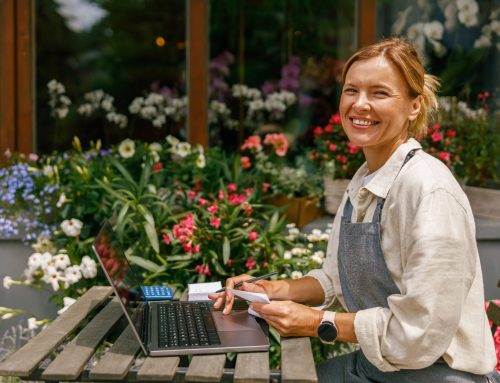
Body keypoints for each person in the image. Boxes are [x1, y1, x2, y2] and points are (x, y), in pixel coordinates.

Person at [209, 38, 499, 383]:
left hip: (437, 375)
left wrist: (318, 323)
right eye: (351, 91)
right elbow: (336, 277)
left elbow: (419, 332)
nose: (360, 105)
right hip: (379, 367)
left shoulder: (428, 190)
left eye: (379, 93)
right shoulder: (365, 180)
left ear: (414, 106)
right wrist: (274, 290)